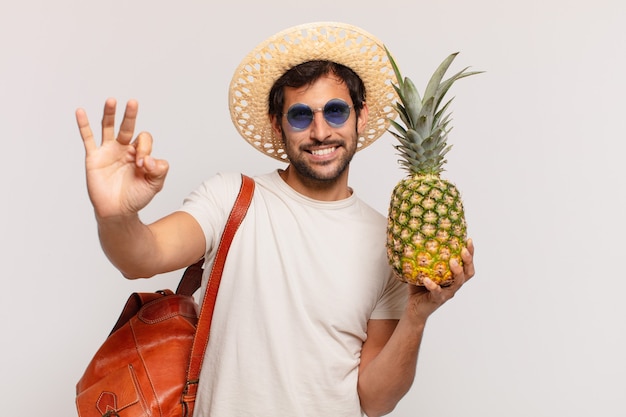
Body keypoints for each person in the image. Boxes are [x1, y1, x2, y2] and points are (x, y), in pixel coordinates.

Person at [76, 22, 475, 417]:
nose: (321, 131)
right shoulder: (230, 197)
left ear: (361, 117)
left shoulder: (386, 242)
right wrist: (115, 217)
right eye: (300, 116)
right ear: (276, 125)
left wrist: (416, 317)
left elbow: (375, 400)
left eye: (336, 111)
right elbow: (140, 257)